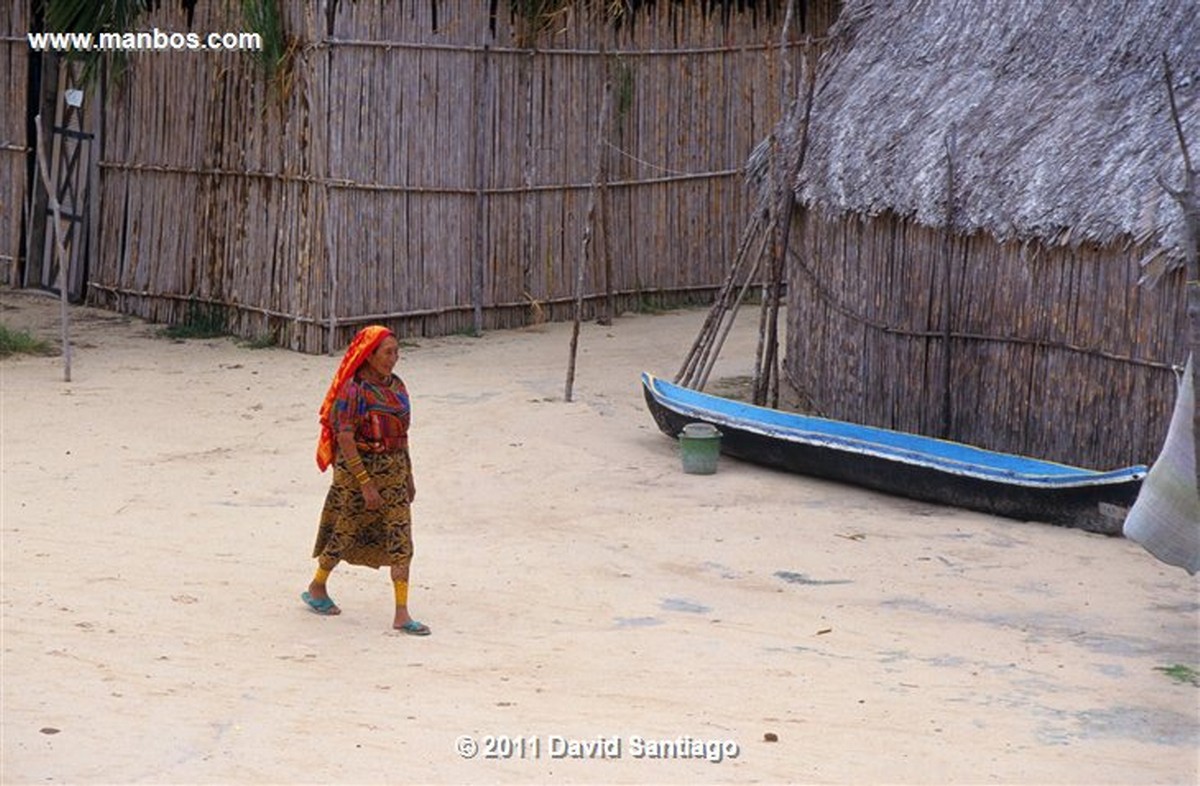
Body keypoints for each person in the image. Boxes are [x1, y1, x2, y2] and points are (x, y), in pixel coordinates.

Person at [302, 325, 431, 635]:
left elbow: (402, 435)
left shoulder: (398, 387)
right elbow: (344, 438)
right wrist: (365, 483)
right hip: (357, 471)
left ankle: (402, 613)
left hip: (395, 471)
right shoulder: (353, 391)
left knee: (402, 539)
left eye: (396, 352)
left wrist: (409, 476)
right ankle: (317, 586)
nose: (393, 359)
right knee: (345, 530)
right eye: (387, 353)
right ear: (369, 356)